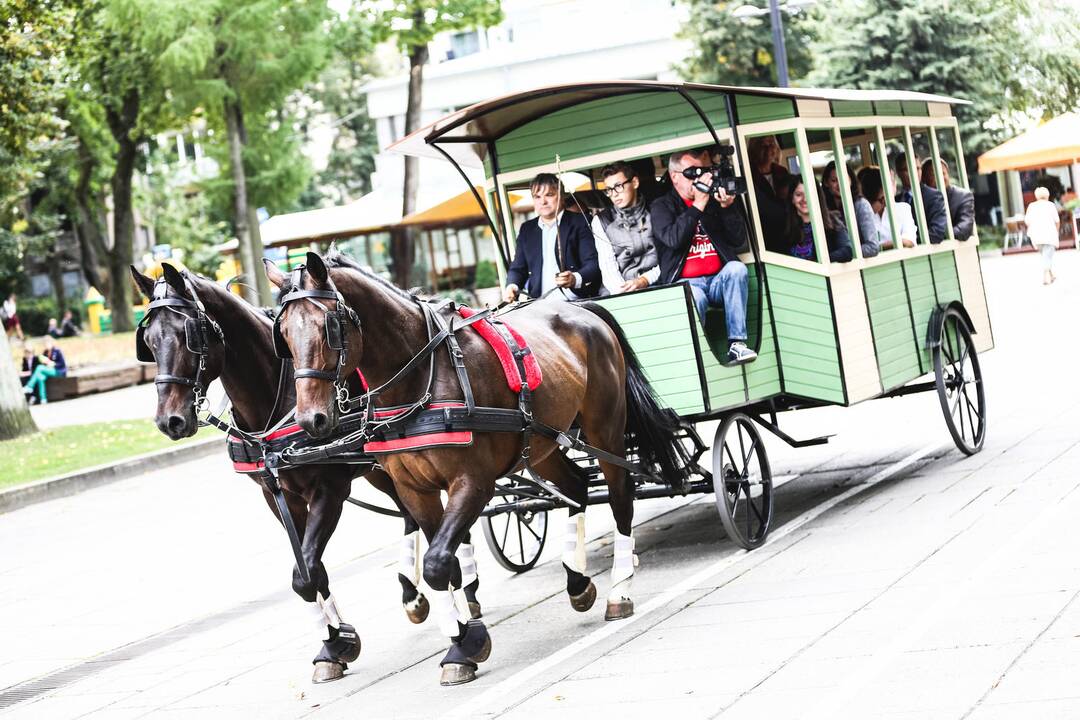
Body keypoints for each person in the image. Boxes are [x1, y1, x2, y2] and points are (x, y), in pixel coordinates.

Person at [651, 148, 756, 364]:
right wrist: (698, 205)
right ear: (675, 176)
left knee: (737, 268)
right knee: (694, 296)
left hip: (717, 280)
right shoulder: (661, 206)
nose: (698, 178)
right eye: (692, 173)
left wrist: (727, 207)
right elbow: (673, 239)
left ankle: (737, 345)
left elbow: (738, 240)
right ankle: (697, 356)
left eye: (702, 172)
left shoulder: (713, 201)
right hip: (686, 283)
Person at [503, 173, 601, 303]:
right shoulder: (527, 229)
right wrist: (512, 286)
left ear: (561, 196)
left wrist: (575, 278)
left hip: (575, 301)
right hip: (539, 303)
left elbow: (593, 263)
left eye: (549, 195)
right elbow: (518, 268)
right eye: (537, 197)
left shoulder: (580, 222)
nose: (543, 201)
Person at [590, 161, 660, 294]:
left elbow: (669, 259)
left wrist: (645, 280)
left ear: (634, 183)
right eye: (609, 190)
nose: (614, 194)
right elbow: (607, 266)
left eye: (618, 186)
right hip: (619, 290)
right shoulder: (601, 220)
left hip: (658, 283)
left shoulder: (657, 210)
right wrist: (623, 293)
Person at [772, 175, 853, 263]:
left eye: (809, 194)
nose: (805, 199)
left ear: (817, 197)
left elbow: (847, 251)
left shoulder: (833, 221)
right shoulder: (783, 227)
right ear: (792, 199)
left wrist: (818, 262)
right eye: (799, 195)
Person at [858, 166, 916, 251]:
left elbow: (908, 241)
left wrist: (875, 247)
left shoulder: (903, 208)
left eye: (892, 183)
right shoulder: (862, 213)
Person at [747, 135, 790, 249]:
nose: (768, 149)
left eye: (771, 144)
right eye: (763, 145)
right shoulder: (748, 173)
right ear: (754, 149)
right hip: (762, 233)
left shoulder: (781, 171)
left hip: (786, 229)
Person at [895, 153, 947, 243]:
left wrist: (908, 242)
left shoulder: (934, 196)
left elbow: (937, 233)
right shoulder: (895, 200)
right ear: (899, 173)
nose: (914, 173)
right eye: (908, 169)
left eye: (917, 168)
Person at [923, 158, 974, 241]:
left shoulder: (962, 196)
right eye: (933, 174)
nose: (941, 178)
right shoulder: (921, 198)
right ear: (924, 179)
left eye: (943, 173)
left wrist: (938, 235)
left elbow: (965, 227)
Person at [1024, 186, 1060, 285]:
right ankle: (1045, 277)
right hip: (1049, 234)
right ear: (1047, 195)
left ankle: (1051, 275)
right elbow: (1057, 221)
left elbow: (1027, 221)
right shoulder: (1051, 205)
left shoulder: (1031, 206)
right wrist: (1056, 231)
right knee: (1047, 255)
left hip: (1036, 236)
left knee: (1045, 255)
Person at [22, 335, 67, 405]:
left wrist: (54, 364)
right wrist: (45, 362)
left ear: (51, 343)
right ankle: (43, 398)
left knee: (39, 368)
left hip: (58, 371)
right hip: (48, 371)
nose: (46, 345)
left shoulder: (57, 351)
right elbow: (44, 363)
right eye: (45, 344)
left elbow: (62, 364)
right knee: (40, 377)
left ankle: (29, 386)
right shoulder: (45, 352)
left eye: (47, 343)